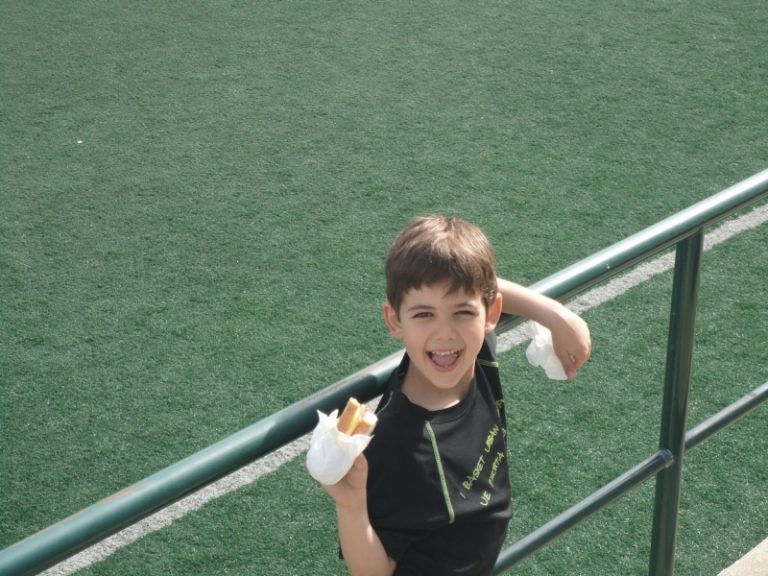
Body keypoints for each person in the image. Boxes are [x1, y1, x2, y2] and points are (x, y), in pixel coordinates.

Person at [318, 216, 591, 576]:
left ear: (491, 314)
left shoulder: (476, 351)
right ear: (394, 320)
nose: (445, 334)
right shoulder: (395, 441)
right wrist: (351, 507)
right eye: (424, 314)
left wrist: (555, 316)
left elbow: (481, 286)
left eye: (461, 312)